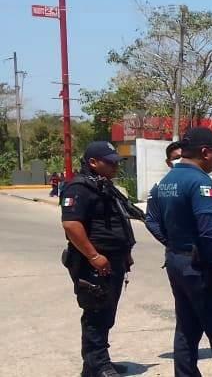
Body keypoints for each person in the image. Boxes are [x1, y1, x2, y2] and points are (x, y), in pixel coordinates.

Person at [155, 127, 212, 377]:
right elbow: (209, 231)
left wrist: (177, 244)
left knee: (187, 329)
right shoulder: (200, 183)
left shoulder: (167, 181)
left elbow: (154, 220)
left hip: (178, 262)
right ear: (205, 152)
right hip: (201, 268)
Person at [61, 142, 143, 377]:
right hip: (92, 263)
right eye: (110, 161)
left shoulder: (104, 186)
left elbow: (119, 221)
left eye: (116, 161)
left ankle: (96, 363)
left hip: (112, 260)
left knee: (106, 312)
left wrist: (125, 252)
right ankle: (98, 365)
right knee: (96, 312)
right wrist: (94, 255)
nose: (116, 165)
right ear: (93, 162)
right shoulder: (79, 188)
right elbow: (71, 224)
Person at [145, 142, 185, 245]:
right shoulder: (158, 188)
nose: (181, 160)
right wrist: (170, 243)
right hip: (179, 254)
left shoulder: (204, 181)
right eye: (177, 157)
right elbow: (151, 221)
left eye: (184, 157)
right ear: (168, 162)